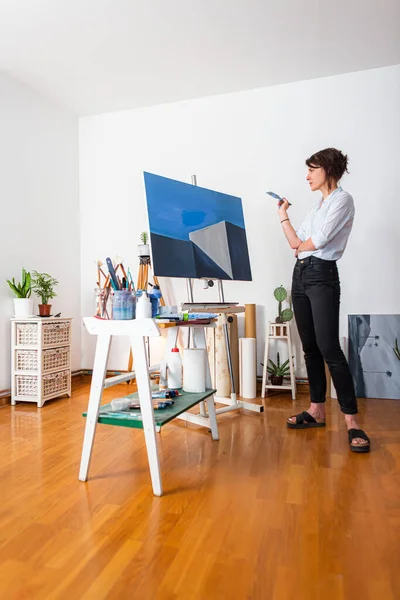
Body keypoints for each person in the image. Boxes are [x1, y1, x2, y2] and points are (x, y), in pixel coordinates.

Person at [278, 148, 370, 452]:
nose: (307, 176)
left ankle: (352, 422)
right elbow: (296, 244)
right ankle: (316, 411)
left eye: (312, 170)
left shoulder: (343, 201)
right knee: (310, 347)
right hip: (301, 275)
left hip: (321, 275)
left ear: (328, 170)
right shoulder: (317, 207)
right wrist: (284, 216)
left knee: (329, 348)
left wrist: (304, 246)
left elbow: (318, 241)